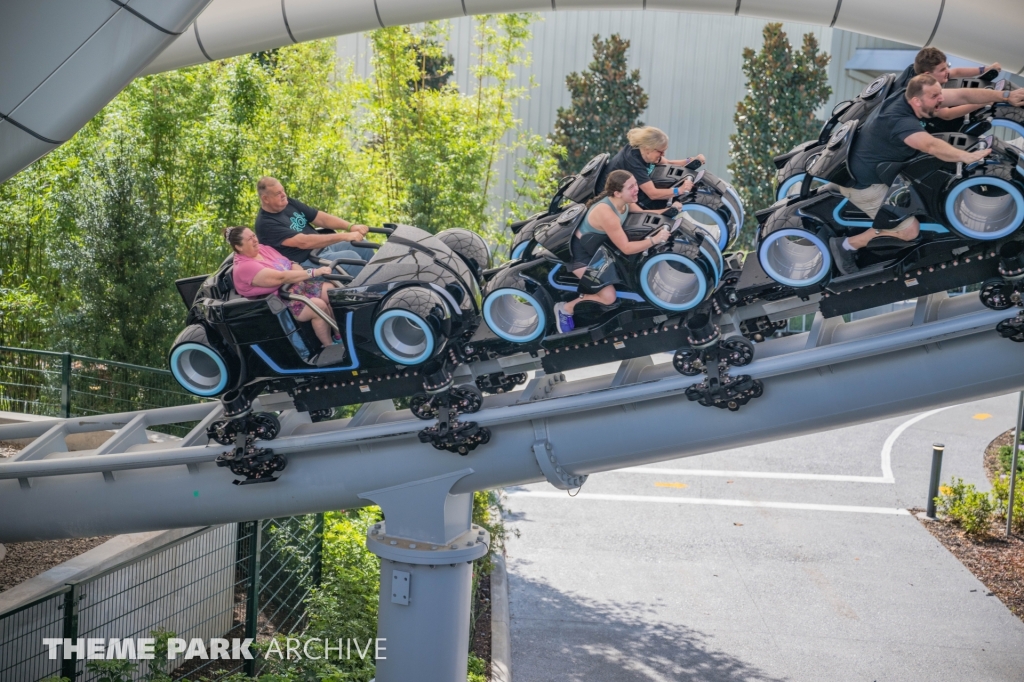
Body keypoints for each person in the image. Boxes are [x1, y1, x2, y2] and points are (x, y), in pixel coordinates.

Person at [829, 74, 997, 275]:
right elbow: (931, 145)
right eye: (935, 96)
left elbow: (960, 95)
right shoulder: (902, 123)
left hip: (880, 169)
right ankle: (847, 246)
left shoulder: (910, 96)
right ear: (918, 101)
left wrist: (1001, 96)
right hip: (863, 185)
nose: (941, 100)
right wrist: (966, 156)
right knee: (910, 230)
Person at [553, 170, 673, 333]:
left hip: (597, 248)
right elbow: (626, 248)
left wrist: (668, 212)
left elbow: (642, 213)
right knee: (609, 297)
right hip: (580, 254)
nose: (636, 189)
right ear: (617, 192)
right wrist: (654, 240)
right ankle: (566, 308)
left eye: (635, 184)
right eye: (631, 187)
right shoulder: (607, 214)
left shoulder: (625, 201)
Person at [224, 226, 341, 349]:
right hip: (281, 300)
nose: (255, 240)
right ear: (239, 247)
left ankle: (339, 336)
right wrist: (313, 272)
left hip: (296, 287)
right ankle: (330, 347)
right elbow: (281, 277)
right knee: (319, 305)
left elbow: (288, 263)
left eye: (254, 235)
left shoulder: (263, 249)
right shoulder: (245, 267)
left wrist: (295, 267)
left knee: (331, 292)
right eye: (249, 239)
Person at [254, 177, 373, 276]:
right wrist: (344, 236)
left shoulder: (288, 203)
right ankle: (371, 296)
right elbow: (304, 242)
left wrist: (351, 227)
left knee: (363, 246)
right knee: (350, 257)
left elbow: (319, 217)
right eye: (278, 193)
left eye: (283, 190)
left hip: (323, 249)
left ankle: (384, 283)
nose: (283, 195)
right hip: (305, 263)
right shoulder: (265, 223)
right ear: (265, 199)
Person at [605, 127, 705, 209]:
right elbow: (653, 194)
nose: (663, 154)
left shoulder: (642, 149)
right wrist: (679, 190)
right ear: (648, 149)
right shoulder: (634, 162)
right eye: (661, 152)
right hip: (614, 201)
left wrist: (689, 161)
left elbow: (667, 162)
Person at [893, 47, 1001, 91]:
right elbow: (946, 115)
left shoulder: (925, 69)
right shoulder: (918, 90)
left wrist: (986, 69)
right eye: (942, 70)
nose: (946, 72)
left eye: (946, 67)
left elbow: (956, 72)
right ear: (927, 75)